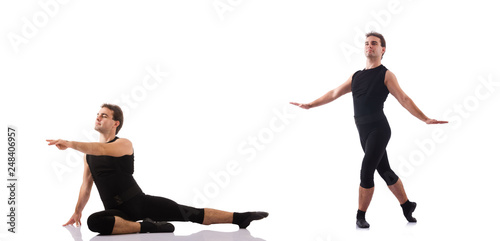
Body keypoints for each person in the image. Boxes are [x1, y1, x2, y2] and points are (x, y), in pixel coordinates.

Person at [290, 32, 447, 228]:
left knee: (366, 170)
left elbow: (404, 99)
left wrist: (425, 118)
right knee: (385, 171)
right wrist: (311, 105)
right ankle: (407, 205)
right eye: (366, 43)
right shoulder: (356, 76)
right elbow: (334, 93)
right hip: (363, 132)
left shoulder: (386, 74)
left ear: (383, 49)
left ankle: (360, 215)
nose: (369, 46)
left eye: (374, 43)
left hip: (379, 129)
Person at [47, 104, 268, 235]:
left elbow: (99, 148)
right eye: (98, 114)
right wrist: (77, 211)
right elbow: (86, 186)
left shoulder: (124, 144)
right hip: (120, 214)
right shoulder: (89, 155)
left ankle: (241, 217)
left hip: (141, 202)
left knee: (191, 213)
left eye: (104, 115)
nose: (98, 117)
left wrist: (69, 143)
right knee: (94, 222)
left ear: (116, 123)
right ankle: (148, 228)